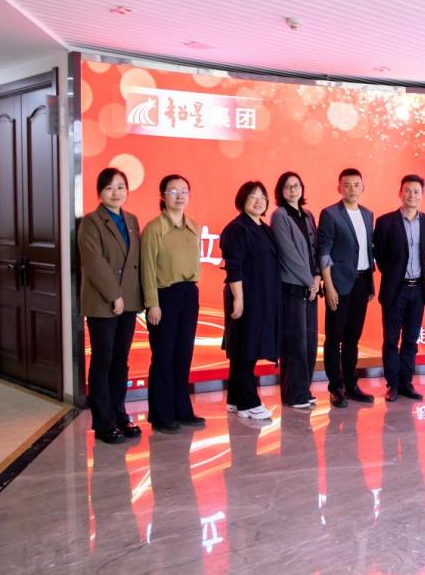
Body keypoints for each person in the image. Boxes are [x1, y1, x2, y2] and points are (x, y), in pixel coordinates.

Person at [79, 167, 143, 444]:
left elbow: (135, 261)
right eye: (109, 188)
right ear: (99, 192)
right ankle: (103, 422)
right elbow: (95, 262)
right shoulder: (91, 222)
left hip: (128, 301)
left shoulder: (132, 220)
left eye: (120, 187)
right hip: (102, 302)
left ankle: (120, 414)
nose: (115, 193)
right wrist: (114, 295)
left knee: (120, 360)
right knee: (103, 360)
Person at [141, 174, 205, 433]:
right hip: (164, 296)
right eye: (173, 191)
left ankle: (182, 409)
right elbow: (147, 269)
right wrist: (152, 303)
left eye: (184, 191)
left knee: (183, 355)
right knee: (164, 355)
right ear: (162, 196)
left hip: (189, 295)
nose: (179, 196)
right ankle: (161, 414)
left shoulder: (194, 227)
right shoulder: (154, 228)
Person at [220, 181, 281, 420]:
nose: (259, 201)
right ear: (242, 200)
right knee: (245, 348)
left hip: (262, 297)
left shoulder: (264, 228)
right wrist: (238, 299)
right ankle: (248, 402)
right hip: (246, 297)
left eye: (262, 197)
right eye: (253, 196)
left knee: (246, 348)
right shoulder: (236, 229)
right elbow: (233, 267)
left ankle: (235, 399)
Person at [373, 174, 425, 402]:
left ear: (422, 195)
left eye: (416, 191)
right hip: (395, 290)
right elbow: (379, 255)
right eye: (407, 190)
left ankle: (406, 381)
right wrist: (394, 275)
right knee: (391, 339)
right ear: (400, 193)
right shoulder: (385, 222)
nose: (411, 195)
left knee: (411, 339)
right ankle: (393, 384)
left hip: (417, 290)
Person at [317, 168, 375, 408]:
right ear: (339, 188)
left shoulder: (368, 214)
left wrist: (370, 284)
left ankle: (351, 385)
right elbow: (323, 252)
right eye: (347, 185)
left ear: (363, 187)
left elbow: (368, 249)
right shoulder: (330, 214)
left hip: (361, 282)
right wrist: (328, 286)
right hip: (338, 284)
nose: (352, 189)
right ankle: (336, 388)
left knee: (353, 338)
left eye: (356, 184)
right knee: (334, 337)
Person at [270, 172, 321, 409]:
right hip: (292, 288)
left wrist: (318, 276)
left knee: (310, 342)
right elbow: (288, 253)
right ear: (281, 191)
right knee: (294, 343)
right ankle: (293, 394)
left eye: (297, 186)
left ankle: (304, 389)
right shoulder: (279, 215)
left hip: (311, 289)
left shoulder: (308, 215)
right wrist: (310, 281)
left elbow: (317, 249)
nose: (293, 190)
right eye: (288, 187)